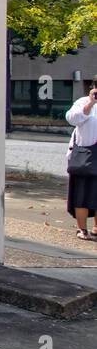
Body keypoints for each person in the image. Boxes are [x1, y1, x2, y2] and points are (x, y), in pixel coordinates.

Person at [64, 81, 97, 240]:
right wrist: (90, 103)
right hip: (85, 155)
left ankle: (96, 229)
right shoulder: (83, 102)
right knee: (82, 193)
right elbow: (71, 118)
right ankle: (82, 229)